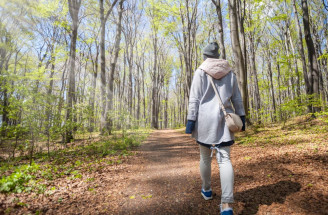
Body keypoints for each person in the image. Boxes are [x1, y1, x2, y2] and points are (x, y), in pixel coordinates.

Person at [185, 42, 245, 215]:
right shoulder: (230, 73)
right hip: (224, 119)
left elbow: (194, 99)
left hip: (204, 120)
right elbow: (237, 99)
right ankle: (227, 205)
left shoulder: (200, 72)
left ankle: (207, 190)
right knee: (224, 159)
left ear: (205, 56)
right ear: (217, 56)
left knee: (205, 157)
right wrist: (241, 117)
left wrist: (191, 121)